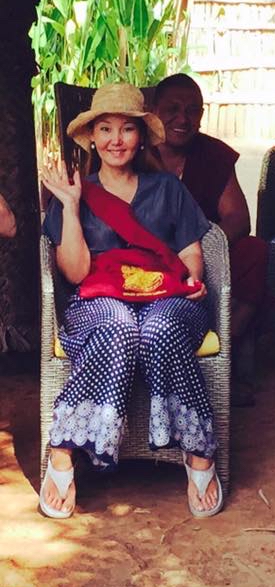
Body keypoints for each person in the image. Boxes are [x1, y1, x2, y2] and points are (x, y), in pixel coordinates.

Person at [39, 83, 223, 520]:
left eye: (126, 129)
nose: (116, 140)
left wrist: (193, 278)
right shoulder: (76, 192)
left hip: (166, 296)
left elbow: (190, 251)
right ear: (92, 137)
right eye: (105, 129)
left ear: (141, 137)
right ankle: (64, 449)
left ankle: (198, 451)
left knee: (159, 328)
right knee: (118, 326)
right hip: (99, 297)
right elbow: (75, 273)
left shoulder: (167, 188)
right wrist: (70, 207)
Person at [152, 74, 268, 346]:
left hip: (205, 252)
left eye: (192, 111)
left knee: (254, 251)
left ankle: (227, 344)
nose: (183, 119)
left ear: (202, 115)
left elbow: (239, 218)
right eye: (172, 109)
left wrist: (199, 248)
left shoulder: (213, 154)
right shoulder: (136, 151)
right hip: (150, 254)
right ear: (153, 111)